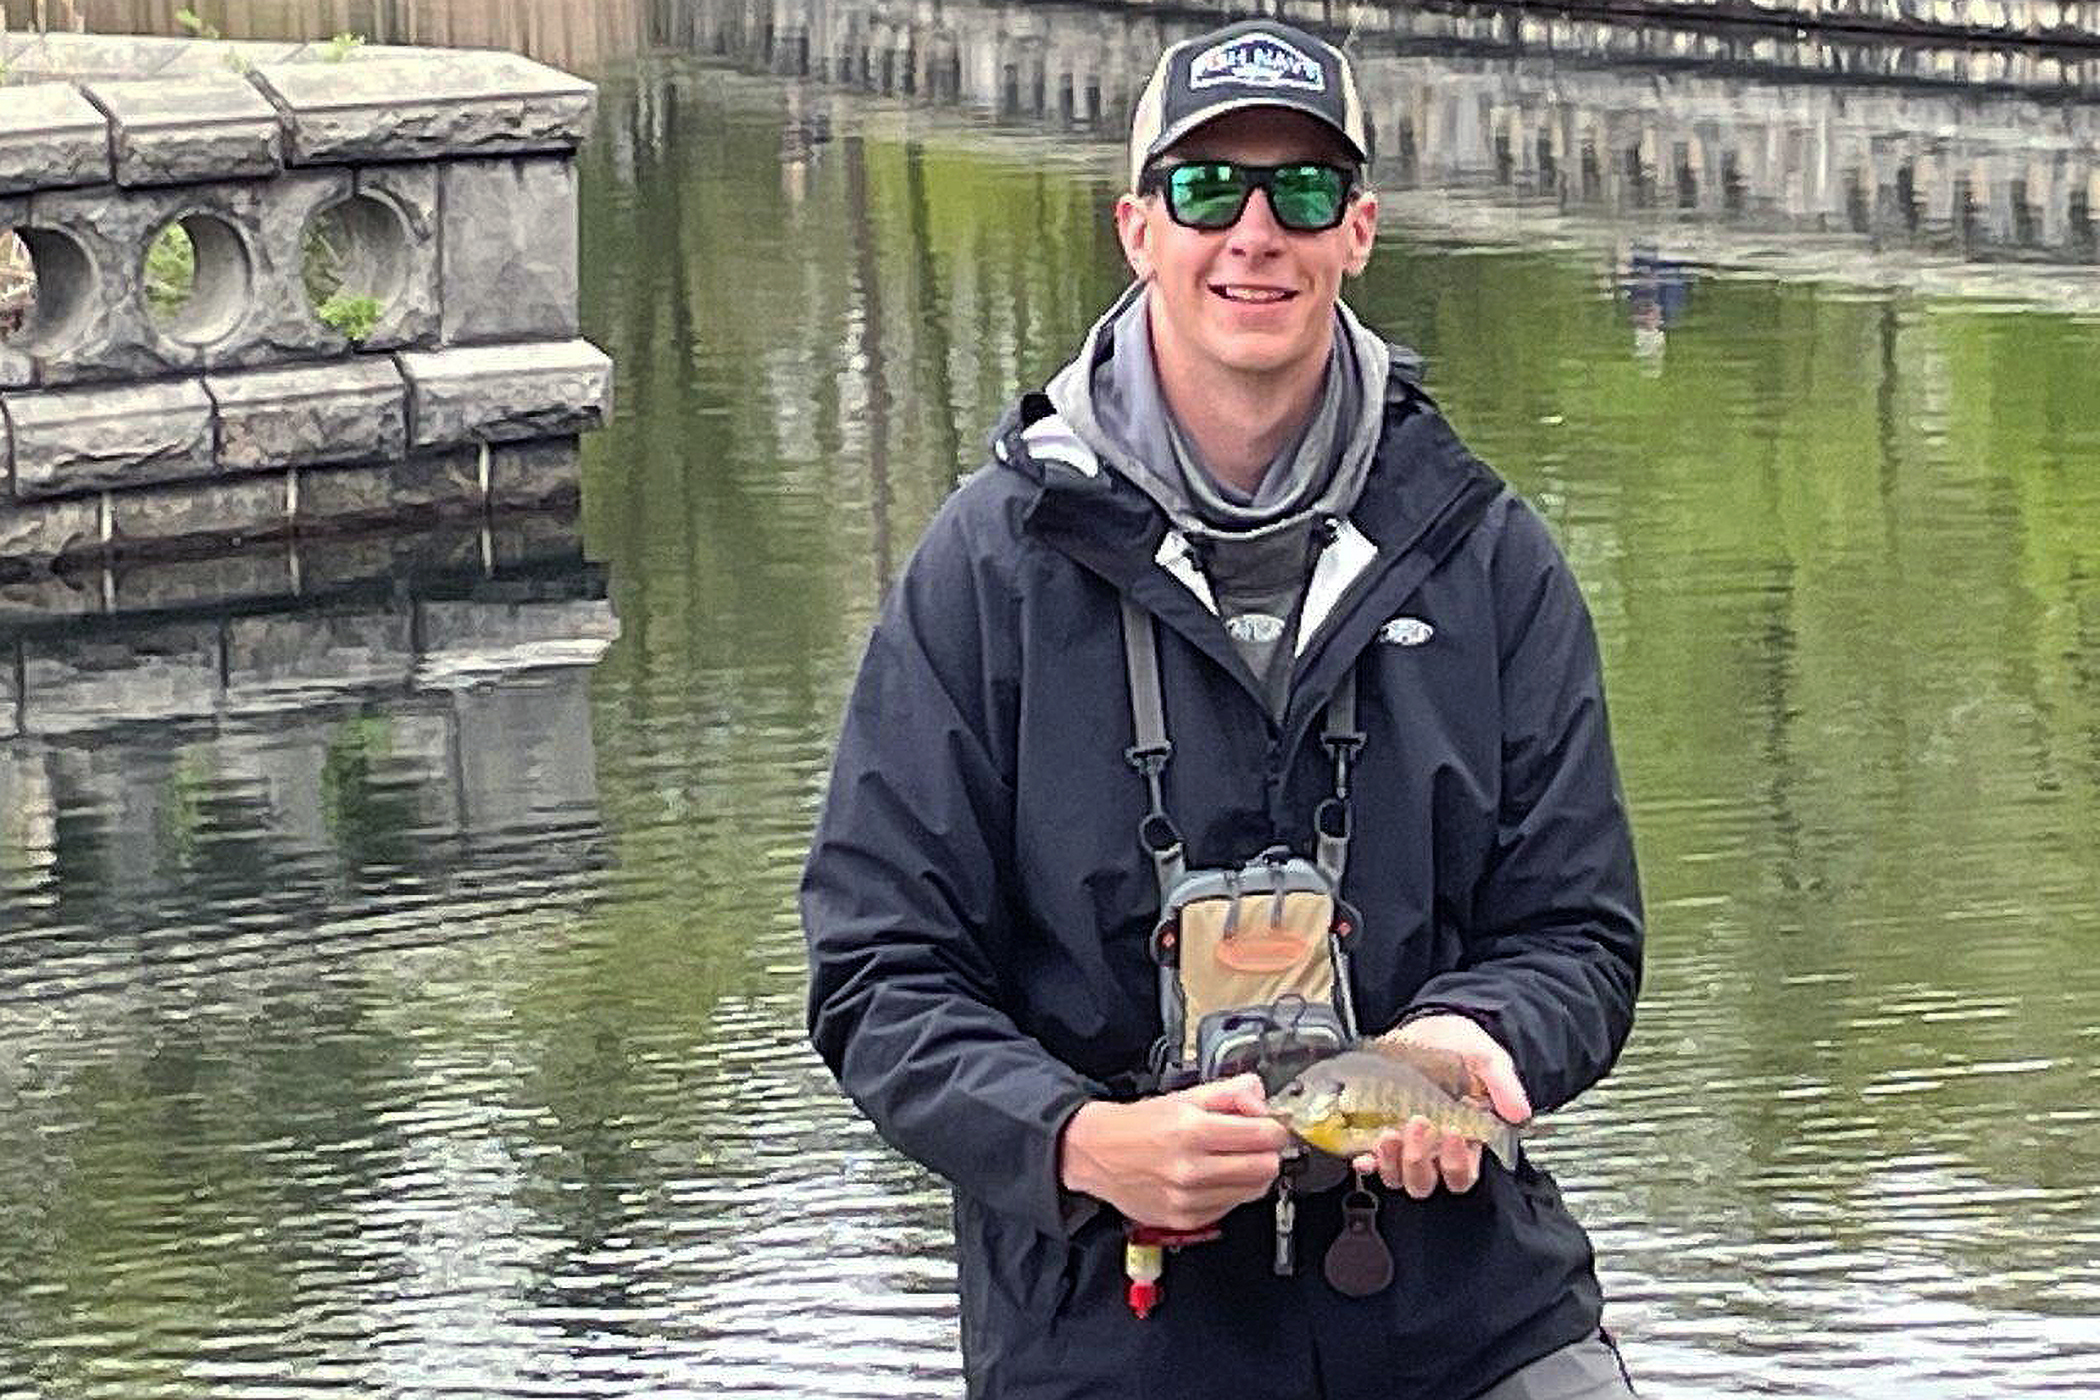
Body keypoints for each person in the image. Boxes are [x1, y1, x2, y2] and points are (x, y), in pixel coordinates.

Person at [802, 19, 1642, 1399]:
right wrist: (1077, 1141)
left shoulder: (1488, 553)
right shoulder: (987, 569)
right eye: (1208, 189)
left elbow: (1579, 930)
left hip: (1462, 1308)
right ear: (1136, 227)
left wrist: (1471, 1043)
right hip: (1107, 1332)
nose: (1255, 231)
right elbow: (877, 974)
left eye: (1301, 190)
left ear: (1358, 232)